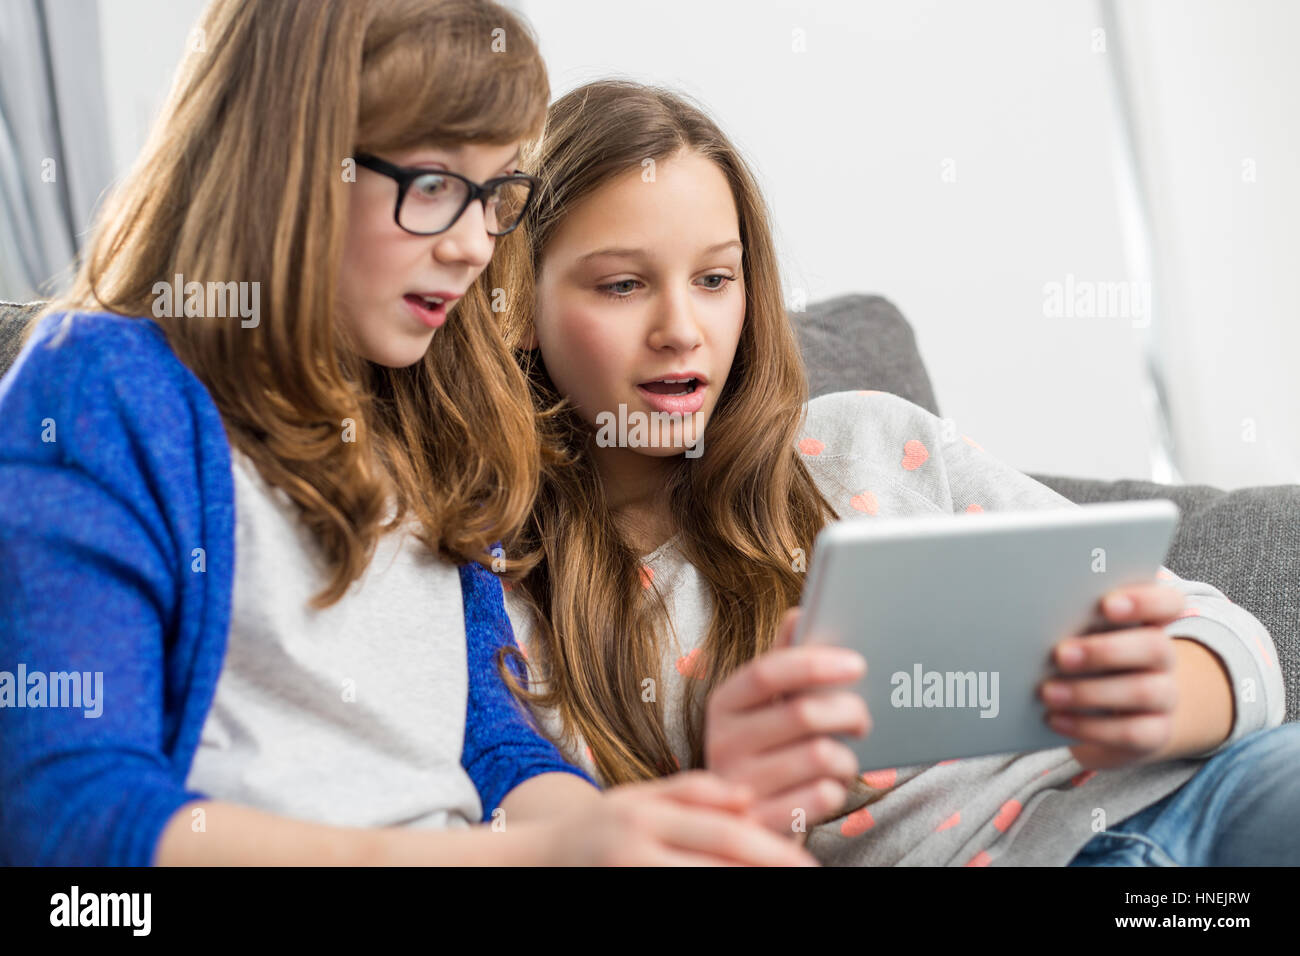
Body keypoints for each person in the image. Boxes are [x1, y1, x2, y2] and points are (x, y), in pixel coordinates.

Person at [0, 2, 813, 868]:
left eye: (497, 191)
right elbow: (68, 818)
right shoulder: (104, 390)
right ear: (287, 166)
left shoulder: (440, 414)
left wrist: (609, 830)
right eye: (432, 188)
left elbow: (489, 745)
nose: (472, 246)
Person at [497, 78, 1296, 865]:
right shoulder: (515, 614)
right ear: (520, 307)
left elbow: (1225, 633)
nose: (682, 329)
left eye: (714, 279)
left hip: (1207, 792)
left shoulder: (869, 442)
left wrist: (1173, 697)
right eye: (623, 285)